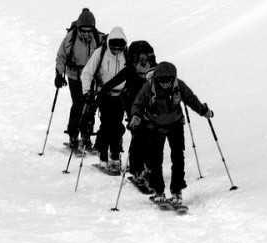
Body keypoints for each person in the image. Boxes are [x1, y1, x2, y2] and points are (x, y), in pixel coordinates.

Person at [128, 61, 213, 206]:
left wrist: (203, 111)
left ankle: (176, 191)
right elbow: (138, 104)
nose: (165, 83)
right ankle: (159, 191)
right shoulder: (148, 87)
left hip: (175, 125)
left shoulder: (179, 85)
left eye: (168, 80)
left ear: (173, 78)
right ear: (156, 78)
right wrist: (135, 116)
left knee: (178, 157)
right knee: (155, 159)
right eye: (162, 80)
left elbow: (191, 100)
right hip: (154, 126)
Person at [80, 28, 132, 174]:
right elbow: (87, 73)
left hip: (120, 95)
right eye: (114, 48)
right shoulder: (101, 52)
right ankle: (103, 154)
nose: (116, 51)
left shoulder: (126, 54)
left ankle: (115, 155)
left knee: (117, 125)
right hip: (103, 94)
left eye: (119, 48)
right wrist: (86, 92)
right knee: (107, 124)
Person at [52, 8, 104, 152]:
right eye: (84, 30)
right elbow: (61, 57)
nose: (86, 33)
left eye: (89, 30)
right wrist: (58, 74)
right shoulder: (70, 37)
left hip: (91, 77)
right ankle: (73, 135)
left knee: (90, 106)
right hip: (74, 76)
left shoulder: (98, 38)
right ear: (79, 28)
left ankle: (86, 135)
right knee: (78, 104)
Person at [121, 41, 157, 187]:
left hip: (148, 107)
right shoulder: (129, 70)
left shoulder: (154, 69)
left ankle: (147, 168)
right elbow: (114, 85)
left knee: (149, 136)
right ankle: (137, 169)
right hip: (132, 104)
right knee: (138, 134)